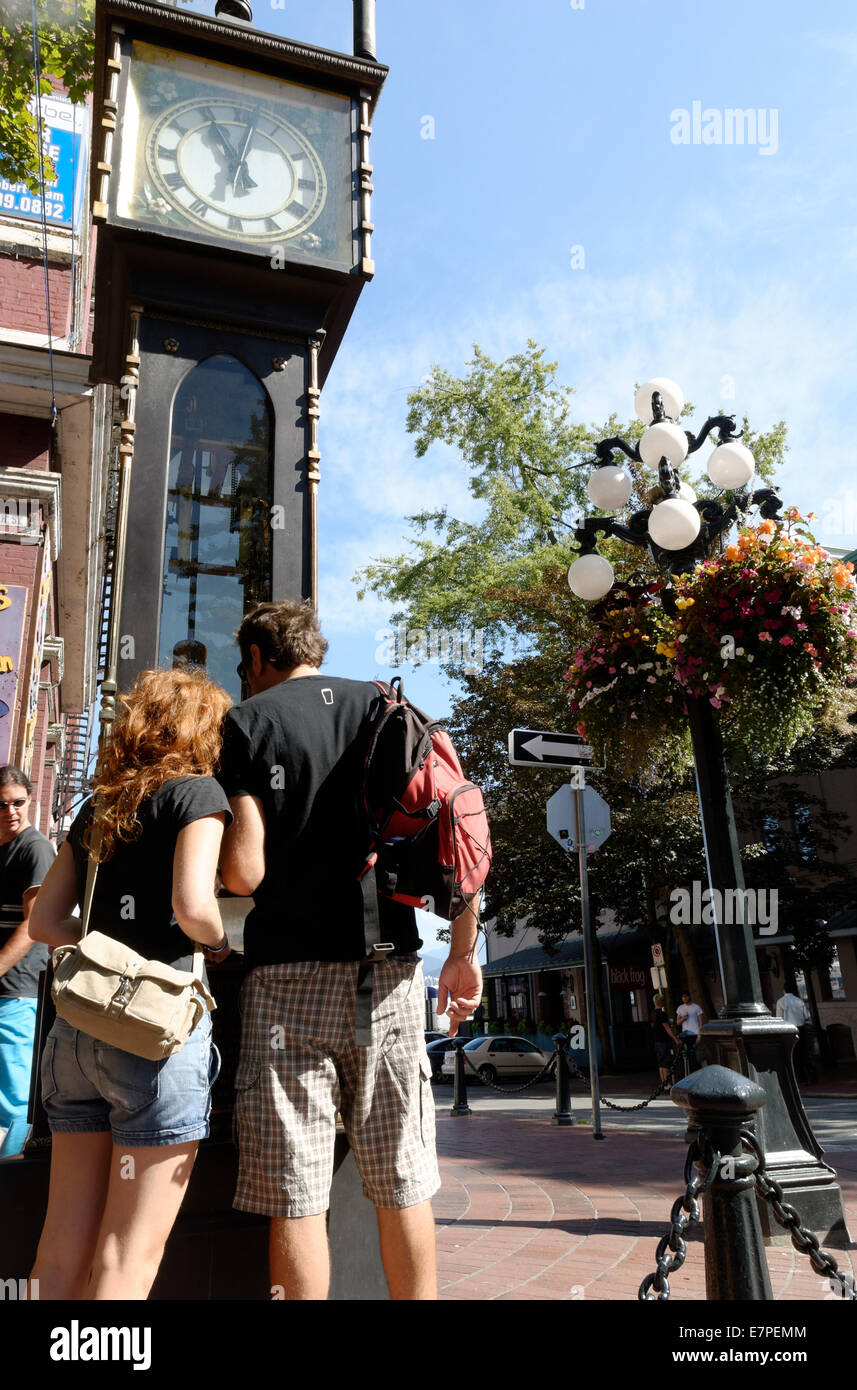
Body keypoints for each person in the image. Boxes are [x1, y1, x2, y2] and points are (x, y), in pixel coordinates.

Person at [217, 599, 482, 1301]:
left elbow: (245, 872)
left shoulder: (247, 723)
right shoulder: (388, 709)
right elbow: (456, 824)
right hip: (385, 974)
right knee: (401, 1176)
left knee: (295, 1186)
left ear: (254, 657)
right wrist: (461, 950)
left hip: (285, 979)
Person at [26, 668, 233, 1300]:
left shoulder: (100, 804)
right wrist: (222, 945)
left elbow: (44, 921)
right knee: (126, 1256)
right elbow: (194, 908)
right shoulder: (199, 793)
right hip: (155, 1033)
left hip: (76, 1033)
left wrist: (103, 948)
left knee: (59, 1249)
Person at [0, 766, 55, 1156]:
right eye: (1, 805)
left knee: (14, 1096)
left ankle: (11, 1170)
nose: (11, 811)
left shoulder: (34, 848)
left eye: (18, 803)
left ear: (30, 801)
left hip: (17, 992)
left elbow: (34, 923)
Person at [775, 987, 814, 1083]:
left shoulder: (781, 1001)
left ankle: (799, 1078)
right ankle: (809, 1076)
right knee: (804, 1053)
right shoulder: (799, 1001)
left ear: (784, 989)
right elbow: (807, 1016)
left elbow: (778, 1018)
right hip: (801, 1029)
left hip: (789, 1030)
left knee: (793, 1054)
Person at [650, 992, 680, 1090]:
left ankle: (663, 1083)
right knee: (667, 1062)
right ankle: (667, 1083)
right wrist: (675, 1039)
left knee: (661, 1063)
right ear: (661, 1002)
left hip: (656, 1041)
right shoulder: (662, 1014)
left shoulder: (653, 1013)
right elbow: (667, 1028)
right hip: (664, 1041)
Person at [676, 990, 704, 1073]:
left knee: (700, 1056)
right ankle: (691, 1073)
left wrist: (699, 1035)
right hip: (686, 1036)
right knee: (688, 1057)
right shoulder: (680, 1008)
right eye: (683, 997)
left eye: (686, 996)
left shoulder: (696, 1007)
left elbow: (700, 1022)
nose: (684, 998)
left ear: (689, 997)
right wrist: (683, 1018)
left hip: (695, 1034)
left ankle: (702, 1073)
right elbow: (677, 1023)